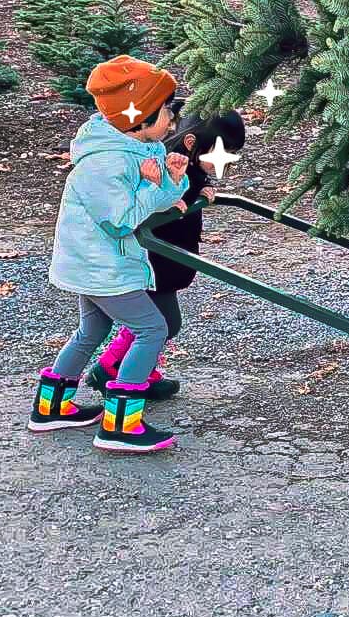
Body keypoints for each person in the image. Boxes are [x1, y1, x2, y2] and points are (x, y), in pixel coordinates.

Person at [26, 55, 190, 454]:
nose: (172, 118)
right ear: (140, 118)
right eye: (167, 110)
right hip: (102, 266)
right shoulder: (105, 162)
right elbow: (119, 221)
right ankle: (120, 424)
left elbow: (152, 202)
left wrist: (172, 181)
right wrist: (156, 189)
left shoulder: (135, 147)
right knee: (151, 329)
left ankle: (52, 407)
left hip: (102, 263)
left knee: (93, 331)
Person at [83, 108, 246, 398]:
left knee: (157, 324)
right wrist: (184, 196)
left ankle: (130, 370)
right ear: (193, 143)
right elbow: (153, 198)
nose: (224, 163)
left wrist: (201, 191)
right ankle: (113, 371)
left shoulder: (190, 169)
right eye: (221, 152)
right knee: (164, 324)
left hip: (170, 258)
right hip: (155, 258)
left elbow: (189, 187)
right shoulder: (168, 165)